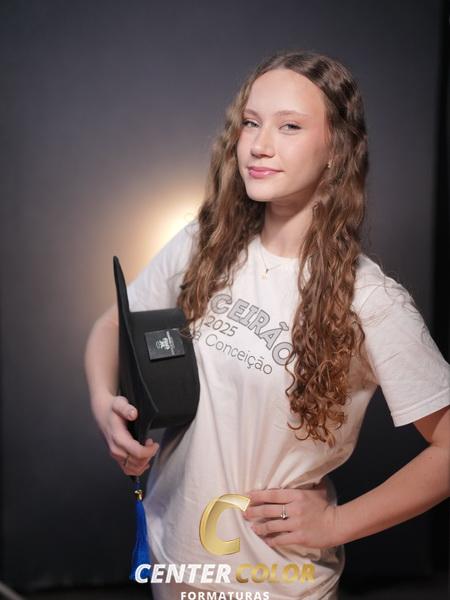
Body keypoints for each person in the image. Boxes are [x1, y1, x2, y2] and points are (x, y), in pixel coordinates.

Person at [84, 50, 450, 599]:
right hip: (171, 560)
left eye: (290, 126)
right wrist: (103, 406)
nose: (259, 144)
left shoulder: (370, 299)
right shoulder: (207, 241)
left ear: (337, 148)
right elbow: (112, 325)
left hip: (277, 582)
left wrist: (336, 523)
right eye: (251, 122)